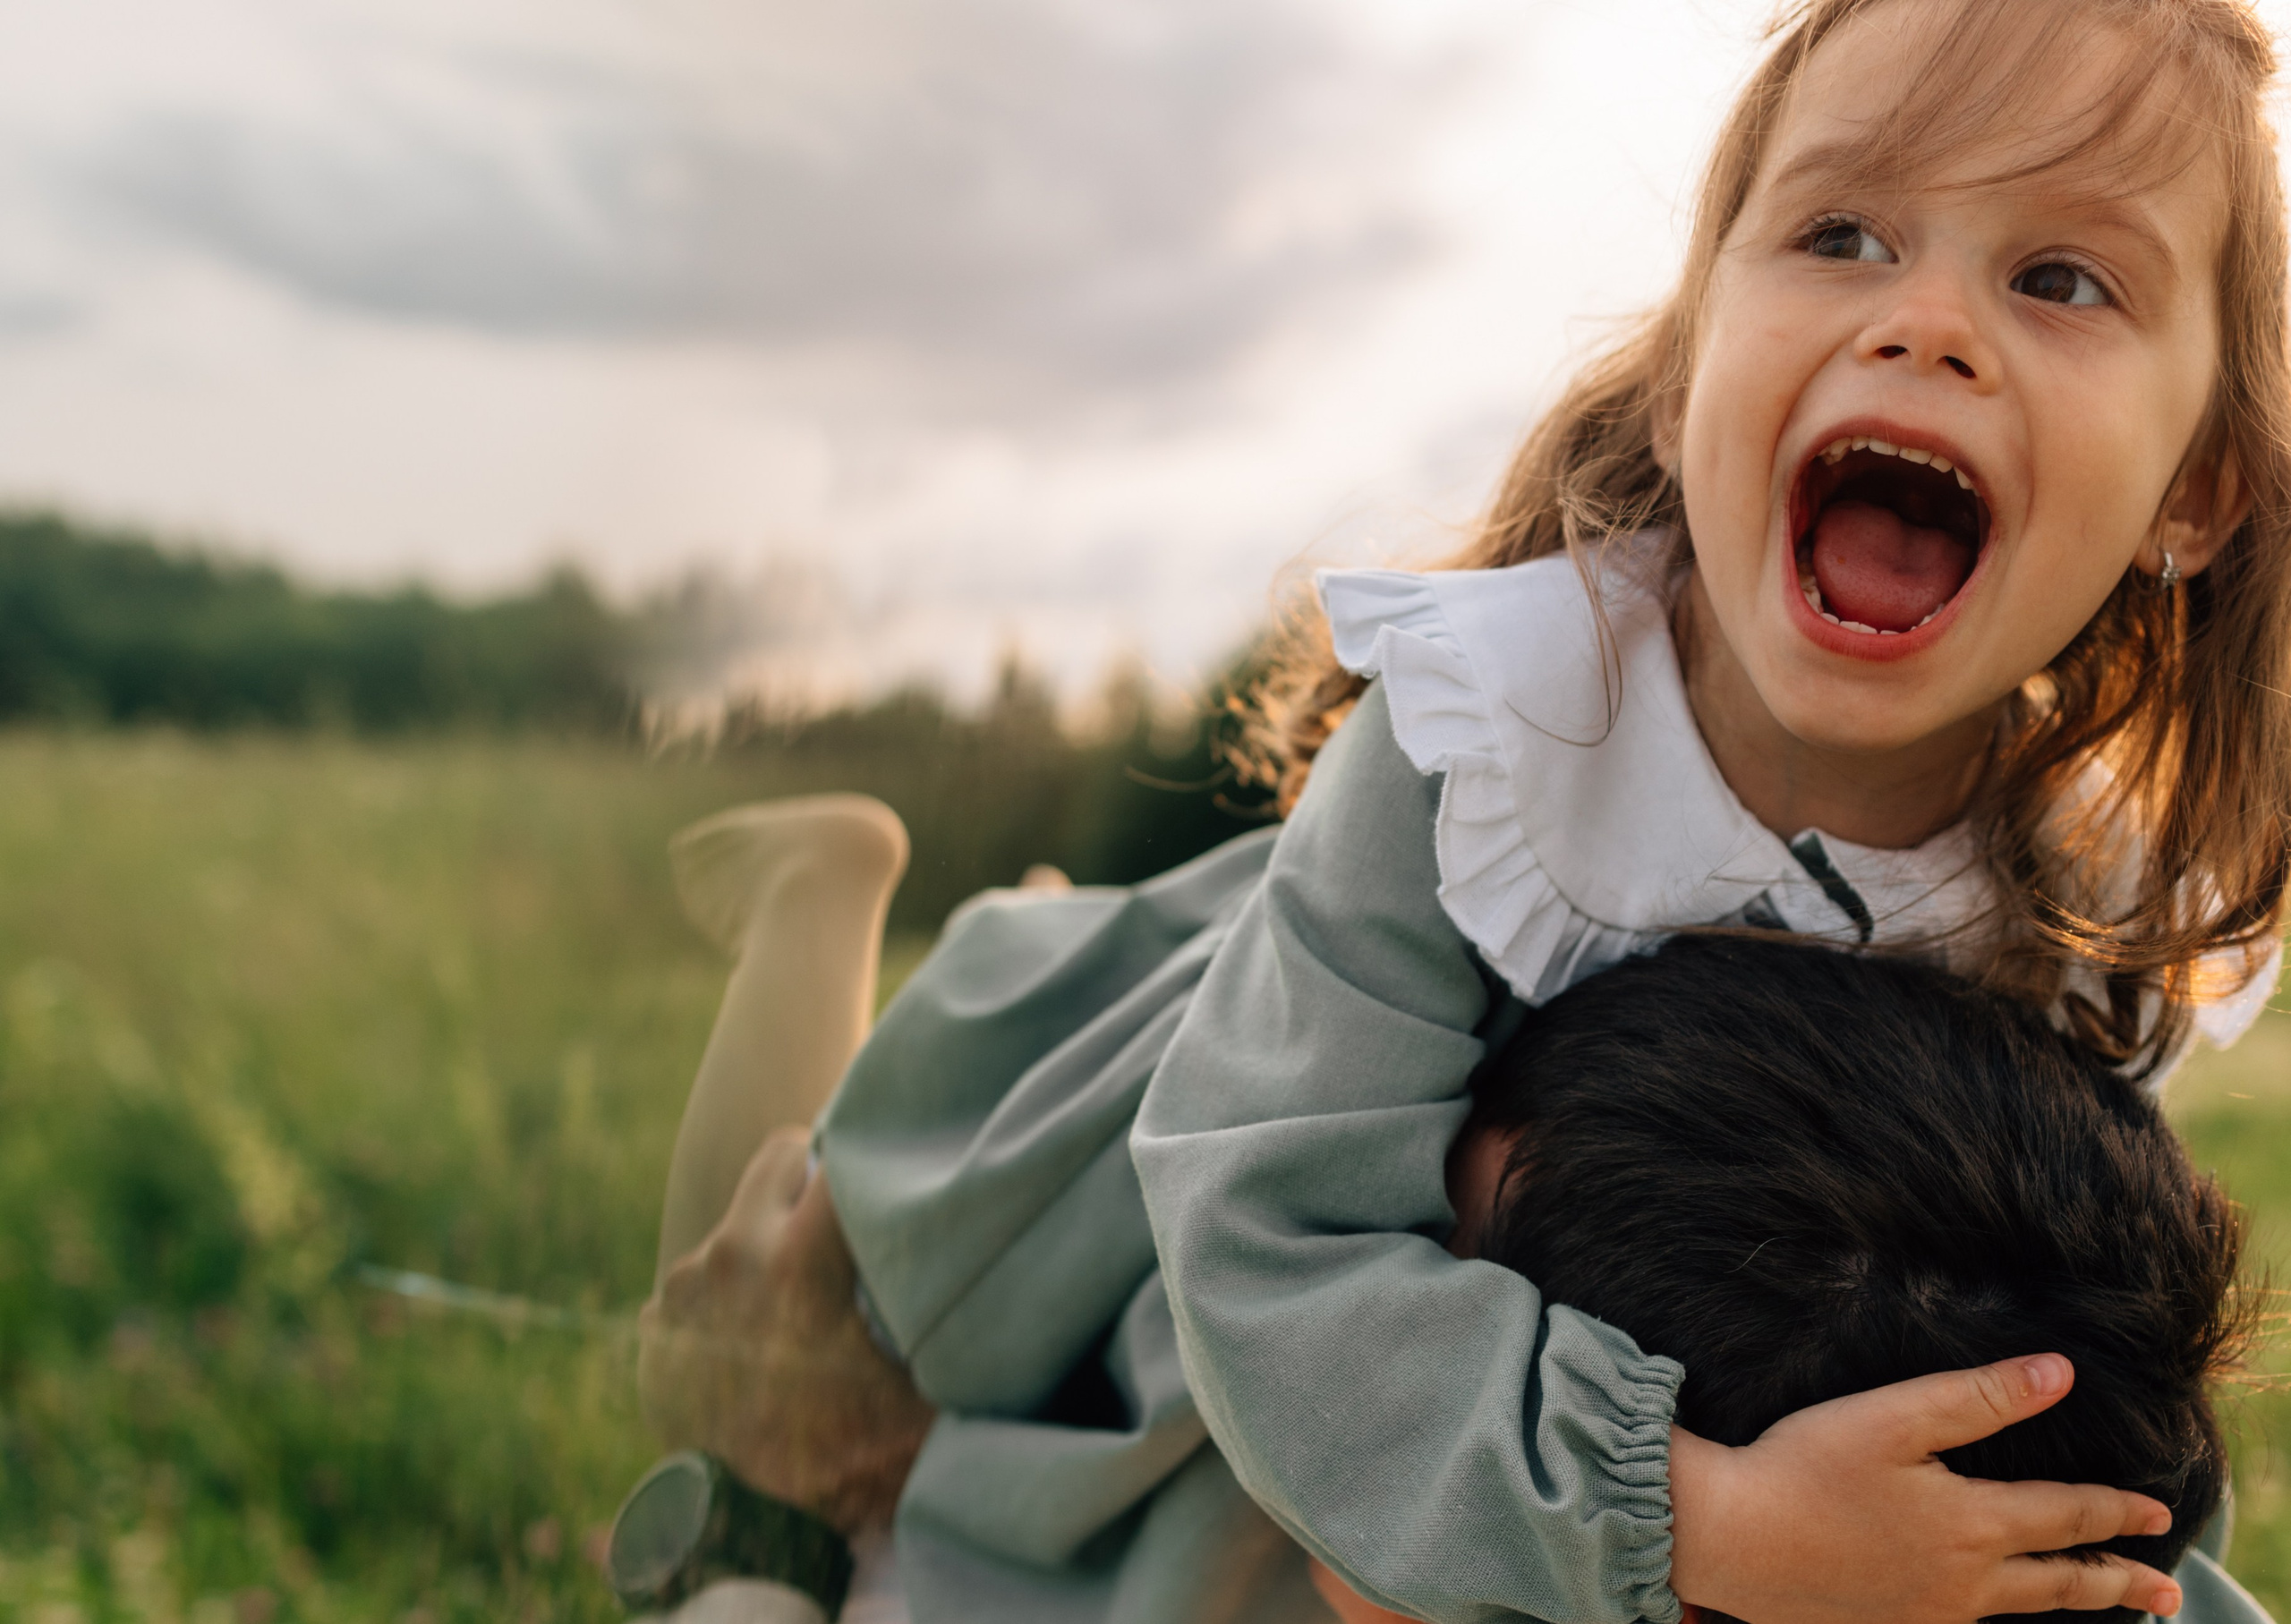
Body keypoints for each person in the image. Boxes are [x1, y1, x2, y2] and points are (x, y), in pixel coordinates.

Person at [648, 1, 2291, 1620]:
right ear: (1686, 377)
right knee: (841, 1295)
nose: (1927, 323)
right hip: (1236, 1195)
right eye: (1845, 234)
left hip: (1495, 1367)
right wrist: (1692, 1519)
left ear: (2198, 486)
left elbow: (2067, 1366)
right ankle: (822, 893)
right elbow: (1268, 1250)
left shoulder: (2081, 901)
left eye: (2061, 278)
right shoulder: (1501, 735)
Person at [643, 927, 2264, 1624]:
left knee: (738, 1317)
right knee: (822, 1243)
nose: (1360, 1301)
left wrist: (761, 1514)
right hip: (1160, 1051)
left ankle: (814, 909)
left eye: (1444, 1298)